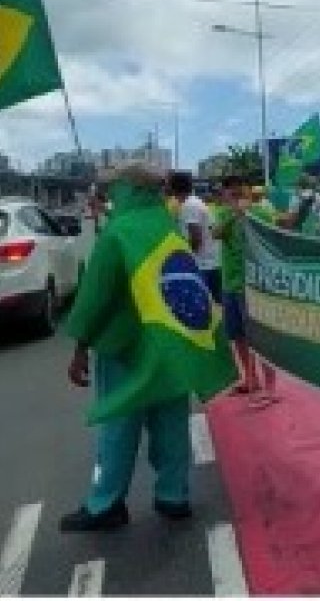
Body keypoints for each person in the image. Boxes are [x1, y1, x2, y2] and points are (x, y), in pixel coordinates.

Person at [60, 164, 201, 531]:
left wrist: (80, 348)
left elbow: (95, 296)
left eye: (113, 187)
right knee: (171, 423)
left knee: (119, 423)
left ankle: (106, 503)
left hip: (124, 348)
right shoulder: (168, 227)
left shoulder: (117, 232)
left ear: (127, 189)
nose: (109, 194)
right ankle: (173, 495)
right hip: (169, 343)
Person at [212, 175, 278, 407]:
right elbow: (216, 234)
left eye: (238, 191)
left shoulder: (261, 212)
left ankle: (270, 387)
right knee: (237, 334)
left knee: (260, 337)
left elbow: (273, 238)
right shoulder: (223, 213)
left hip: (254, 284)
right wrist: (234, 214)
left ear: (247, 191)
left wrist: (247, 214)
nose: (234, 195)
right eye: (229, 191)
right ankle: (251, 379)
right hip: (230, 283)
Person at [167, 170, 220, 298]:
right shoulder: (193, 202)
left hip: (204, 264)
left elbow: (196, 238)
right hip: (208, 261)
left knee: (207, 299)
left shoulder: (189, 206)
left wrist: (186, 258)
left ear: (173, 188)